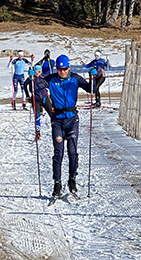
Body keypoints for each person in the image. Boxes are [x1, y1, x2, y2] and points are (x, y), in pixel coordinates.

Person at [44, 54, 94, 197]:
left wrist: (93, 78)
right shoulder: (51, 79)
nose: (63, 72)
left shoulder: (75, 78)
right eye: (60, 69)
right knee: (58, 153)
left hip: (72, 120)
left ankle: (72, 179)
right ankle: (57, 183)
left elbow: (92, 89)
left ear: (69, 67)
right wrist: (32, 78)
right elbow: (35, 85)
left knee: (72, 152)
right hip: (57, 121)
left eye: (65, 69)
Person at [23, 65, 54, 140]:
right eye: (36, 71)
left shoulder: (44, 76)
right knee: (37, 117)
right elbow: (25, 85)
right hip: (35, 100)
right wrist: (27, 96)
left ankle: (58, 131)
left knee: (53, 115)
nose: (37, 73)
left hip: (44, 99)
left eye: (39, 71)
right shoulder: (31, 78)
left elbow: (50, 83)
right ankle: (37, 134)